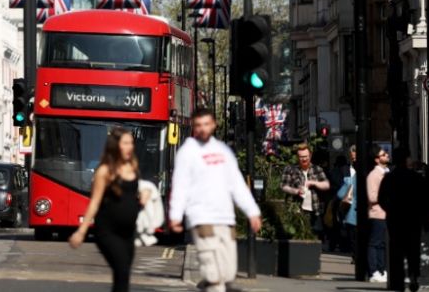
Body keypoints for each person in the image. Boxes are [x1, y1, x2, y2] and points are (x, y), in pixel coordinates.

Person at [167, 109, 261, 292]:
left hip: (226, 219)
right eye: (198, 125)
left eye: (206, 124)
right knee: (214, 275)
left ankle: (208, 286)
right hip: (202, 218)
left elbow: (237, 184)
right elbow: (180, 185)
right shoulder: (188, 152)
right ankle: (211, 284)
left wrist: (252, 212)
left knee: (227, 273)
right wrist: (175, 215)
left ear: (214, 125)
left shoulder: (223, 150)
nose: (202, 129)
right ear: (194, 127)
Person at [69, 127, 151, 292]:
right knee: (121, 271)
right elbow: (94, 202)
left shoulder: (132, 166)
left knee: (123, 277)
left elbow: (130, 194)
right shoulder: (104, 171)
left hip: (128, 233)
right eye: (126, 143)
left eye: (131, 143)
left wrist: (143, 195)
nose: (130, 147)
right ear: (115, 146)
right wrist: (81, 231)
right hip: (108, 232)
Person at [379, 147, 429, 292]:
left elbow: (381, 199)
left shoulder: (389, 178)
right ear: (406, 159)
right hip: (413, 219)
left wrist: (390, 210)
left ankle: (398, 282)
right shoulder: (417, 178)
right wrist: (425, 219)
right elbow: (425, 201)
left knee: (396, 252)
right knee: (413, 250)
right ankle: (414, 275)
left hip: (395, 219)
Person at [279, 143, 330, 239]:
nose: (304, 159)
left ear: (310, 155)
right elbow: (283, 186)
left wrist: (314, 183)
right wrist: (296, 191)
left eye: (306, 156)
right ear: (297, 157)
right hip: (297, 209)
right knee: (297, 236)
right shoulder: (290, 169)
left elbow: (326, 185)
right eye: (301, 157)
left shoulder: (317, 169)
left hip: (315, 210)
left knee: (315, 236)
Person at [366, 144, 390, 283]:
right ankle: (374, 271)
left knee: (382, 244)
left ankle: (382, 270)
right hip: (377, 213)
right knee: (375, 243)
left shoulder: (386, 173)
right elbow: (371, 196)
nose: (386, 155)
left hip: (386, 213)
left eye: (385, 154)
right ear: (376, 159)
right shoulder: (374, 175)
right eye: (383, 154)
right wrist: (387, 196)